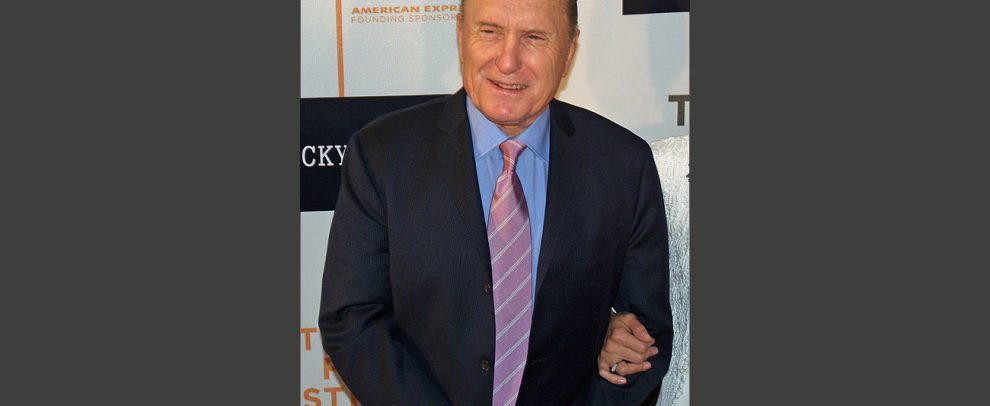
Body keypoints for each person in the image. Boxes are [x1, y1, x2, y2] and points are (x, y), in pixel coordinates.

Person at [318, 0, 673, 404]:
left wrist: (621, 359)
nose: (507, 61)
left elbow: (644, 337)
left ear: (569, 49)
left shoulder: (622, 164)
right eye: (489, 32)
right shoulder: (384, 155)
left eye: (534, 37)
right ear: (460, 35)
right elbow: (353, 319)